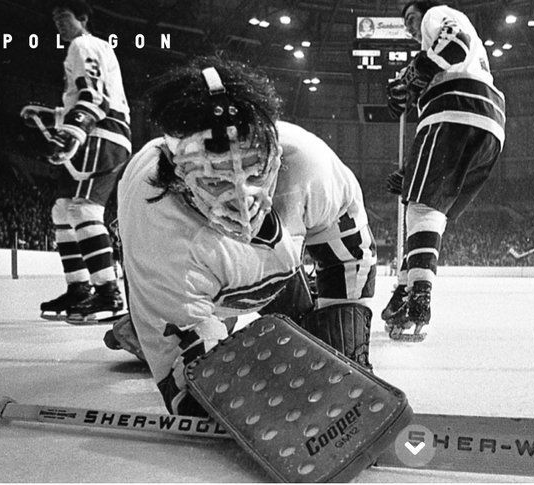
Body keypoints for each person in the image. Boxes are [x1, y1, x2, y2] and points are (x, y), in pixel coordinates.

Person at [114, 56, 377, 416]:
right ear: (174, 176)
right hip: (197, 280)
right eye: (216, 179)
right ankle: (150, 326)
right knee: (192, 349)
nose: (241, 196)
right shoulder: (156, 220)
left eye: (254, 169)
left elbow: (349, 260)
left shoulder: (309, 165)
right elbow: (191, 394)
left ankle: (183, 323)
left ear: (275, 149)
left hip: (270, 271)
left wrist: (346, 359)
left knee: (315, 343)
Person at [381, 0, 506, 341]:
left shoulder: (438, 15)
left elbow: (454, 45)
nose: (410, 26)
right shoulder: (445, 51)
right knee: (428, 213)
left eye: (411, 17)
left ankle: (417, 299)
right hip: (489, 125)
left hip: (455, 108)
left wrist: (410, 77)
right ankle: (406, 288)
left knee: (421, 208)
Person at [23, 0, 130, 321]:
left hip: (102, 134)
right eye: (54, 17)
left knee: (84, 209)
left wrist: (73, 130)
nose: (58, 21)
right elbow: (92, 96)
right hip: (100, 130)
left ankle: (108, 292)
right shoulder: (84, 48)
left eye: (63, 15)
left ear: (82, 18)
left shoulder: (84, 45)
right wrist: (55, 116)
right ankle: (79, 288)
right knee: (62, 210)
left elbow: (94, 96)